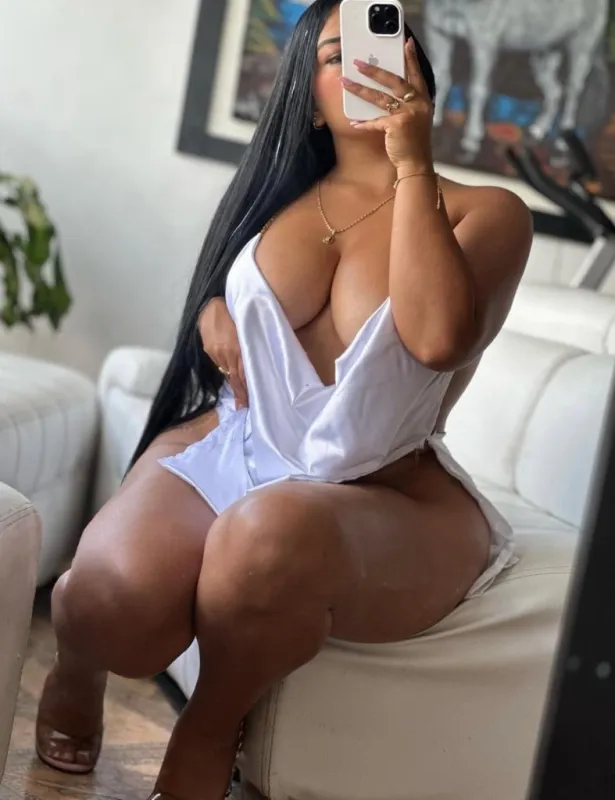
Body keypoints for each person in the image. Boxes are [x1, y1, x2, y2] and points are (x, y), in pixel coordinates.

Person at [35, 1, 533, 798]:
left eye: (388, 46)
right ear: (307, 100)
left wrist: (411, 166)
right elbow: (231, 297)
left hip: (379, 489)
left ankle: (210, 726)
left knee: (267, 536)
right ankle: (78, 665)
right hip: (244, 439)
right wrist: (213, 309)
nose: (369, 65)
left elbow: (437, 337)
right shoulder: (276, 199)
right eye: (338, 55)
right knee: (108, 603)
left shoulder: (487, 212)